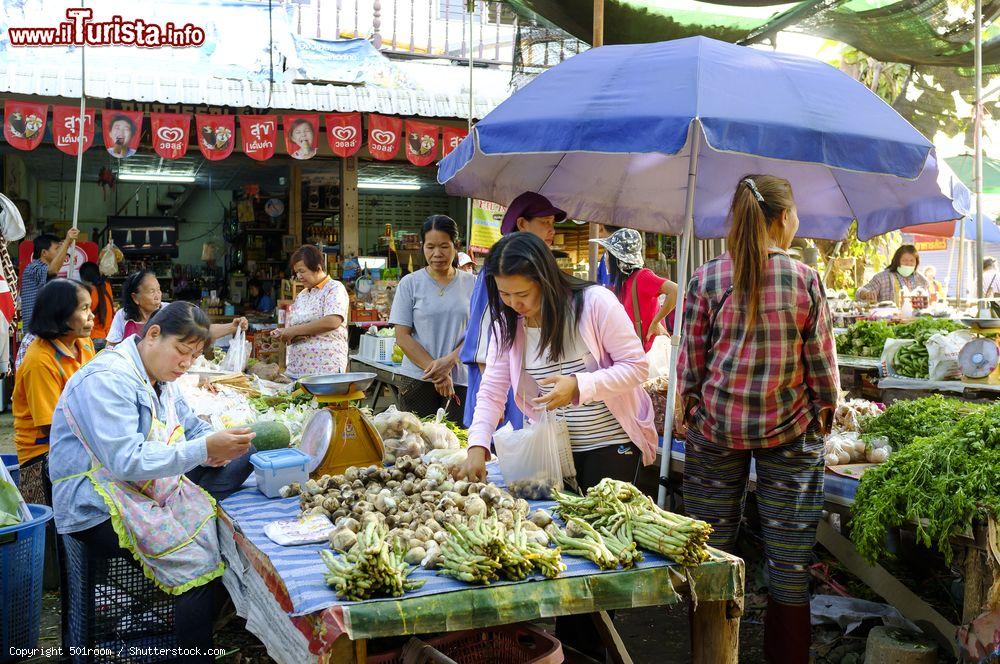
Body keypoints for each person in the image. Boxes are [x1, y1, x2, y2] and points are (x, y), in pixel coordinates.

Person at [678, 175, 839, 664]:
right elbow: (823, 372)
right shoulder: (805, 279)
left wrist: (694, 408)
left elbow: (690, 367)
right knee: (789, 562)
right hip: (790, 432)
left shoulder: (706, 278)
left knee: (709, 553)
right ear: (783, 219)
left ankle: (711, 654)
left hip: (715, 431)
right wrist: (822, 418)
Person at [48, 302, 256, 661]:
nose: (185, 363)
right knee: (197, 566)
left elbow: (191, 426)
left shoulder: (161, 378)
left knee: (245, 463)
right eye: (181, 350)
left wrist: (220, 444)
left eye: (193, 356)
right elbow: (125, 460)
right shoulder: (109, 378)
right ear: (154, 334)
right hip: (96, 499)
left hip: (145, 485)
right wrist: (203, 449)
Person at [461, 231, 658, 485]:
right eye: (504, 294)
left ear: (544, 279)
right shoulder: (506, 326)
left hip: (612, 444)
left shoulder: (594, 303)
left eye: (522, 294)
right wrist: (477, 445)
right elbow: (491, 392)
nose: (513, 303)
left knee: (602, 522)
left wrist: (580, 385)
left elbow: (636, 367)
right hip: (554, 451)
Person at [460, 192, 567, 431]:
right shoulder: (499, 267)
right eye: (545, 223)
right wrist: (490, 401)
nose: (552, 231)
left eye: (553, 224)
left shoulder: (535, 267)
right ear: (521, 224)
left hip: (525, 379)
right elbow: (482, 331)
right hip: (499, 378)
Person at [12, 280, 96, 507]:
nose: (92, 317)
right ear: (61, 313)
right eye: (84, 309)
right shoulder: (40, 360)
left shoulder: (84, 343)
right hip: (43, 455)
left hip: (79, 438)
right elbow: (51, 426)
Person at [390, 215, 476, 421]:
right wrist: (438, 372)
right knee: (417, 445)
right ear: (423, 247)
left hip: (461, 380)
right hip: (417, 380)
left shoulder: (473, 283)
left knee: (458, 446)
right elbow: (402, 336)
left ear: (456, 246)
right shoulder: (409, 283)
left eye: (444, 246)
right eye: (430, 247)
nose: (437, 254)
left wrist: (449, 362)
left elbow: (478, 333)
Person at [592, 228, 678, 352]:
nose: (605, 258)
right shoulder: (623, 283)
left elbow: (675, 291)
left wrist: (656, 322)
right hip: (635, 354)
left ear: (617, 258)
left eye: (607, 253)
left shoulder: (642, 276)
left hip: (649, 356)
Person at [106, 270, 246, 346]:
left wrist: (233, 326)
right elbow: (110, 349)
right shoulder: (122, 316)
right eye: (151, 291)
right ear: (135, 298)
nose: (158, 295)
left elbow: (202, 330)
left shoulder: (169, 311)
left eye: (159, 290)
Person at [271, 245, 349, 378]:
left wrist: (293, 331)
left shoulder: (334, 288)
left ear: (318, 267)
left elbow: (333, 321)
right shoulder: (302, 295)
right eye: (296, 273)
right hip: (297, 369)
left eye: (302, 271)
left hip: (325, 369)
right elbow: (301, 328)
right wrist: (285, 333)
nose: (299, 276)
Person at [15, 229, 81, 369]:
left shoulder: (45, 271)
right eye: (56, 248)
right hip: (34, 335)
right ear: (44, 253)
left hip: (44, 333)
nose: (60, 252)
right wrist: (67, 241)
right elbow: (52, 271)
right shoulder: (33, 268)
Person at [856, 245, 928, 304]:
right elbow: (860, 292)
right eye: (904, 260)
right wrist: (866, 293)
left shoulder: (921, 280)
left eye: (912, 261)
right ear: (897, 261)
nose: (908, 264)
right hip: (889, 320)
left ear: (916, 263)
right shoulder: (882, 278)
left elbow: (926, 302)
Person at [79, 261, 114, 350]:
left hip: (94, 337)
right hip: (109, 336)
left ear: (84, 279)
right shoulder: (107, 286)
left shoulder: (90, 292)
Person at [595, 224, 620, 288]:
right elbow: (599, 278)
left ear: (601, 229)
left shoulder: (621, 256)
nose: (599, 236)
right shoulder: (604, 257)